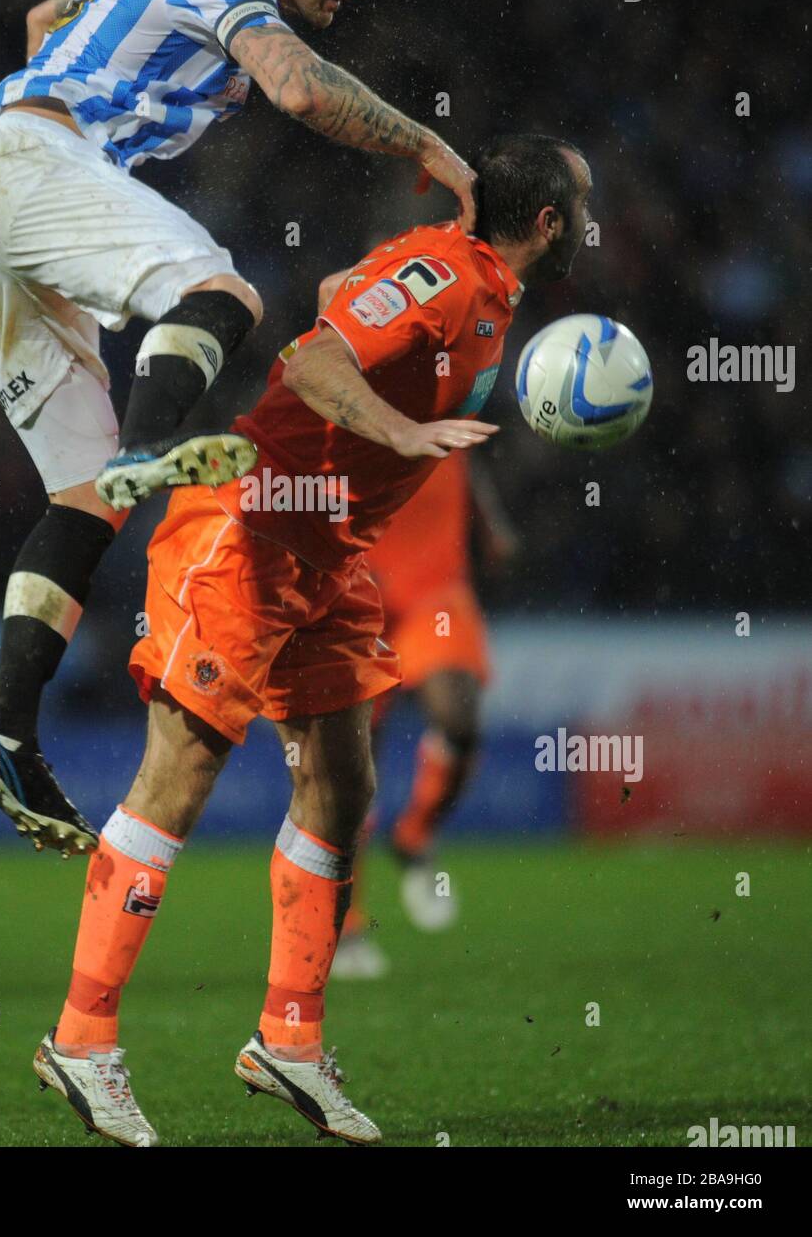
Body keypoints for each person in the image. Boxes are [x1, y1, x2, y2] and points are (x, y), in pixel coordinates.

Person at [31, 134, 593, 1145]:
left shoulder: (472, 285)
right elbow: (320, 351)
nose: (592, 225)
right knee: (179, 779)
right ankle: (82, 1040)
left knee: (343, 787)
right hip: (247, 527)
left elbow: (346, 288)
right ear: (547, 222)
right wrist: (403, 432)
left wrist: (376, 315)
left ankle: (288, 1042)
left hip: (329, 551)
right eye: (583, 209)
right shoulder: (455, 283)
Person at [0, 0, 478, 856]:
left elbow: (43, 21)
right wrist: (428, 147)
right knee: (220, 289)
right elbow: (298, 88)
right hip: (31, 167)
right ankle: (151, 443)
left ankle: (6, 735)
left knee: (85, 499)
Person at [331, 451, 519, 981]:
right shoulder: (338, 380)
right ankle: (346, 927)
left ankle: (415, 834)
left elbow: (466, 452)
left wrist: (491, 522)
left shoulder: (449, 378)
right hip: (358, 590)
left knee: (459, 718)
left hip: (434, 586)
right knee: (353, 766)